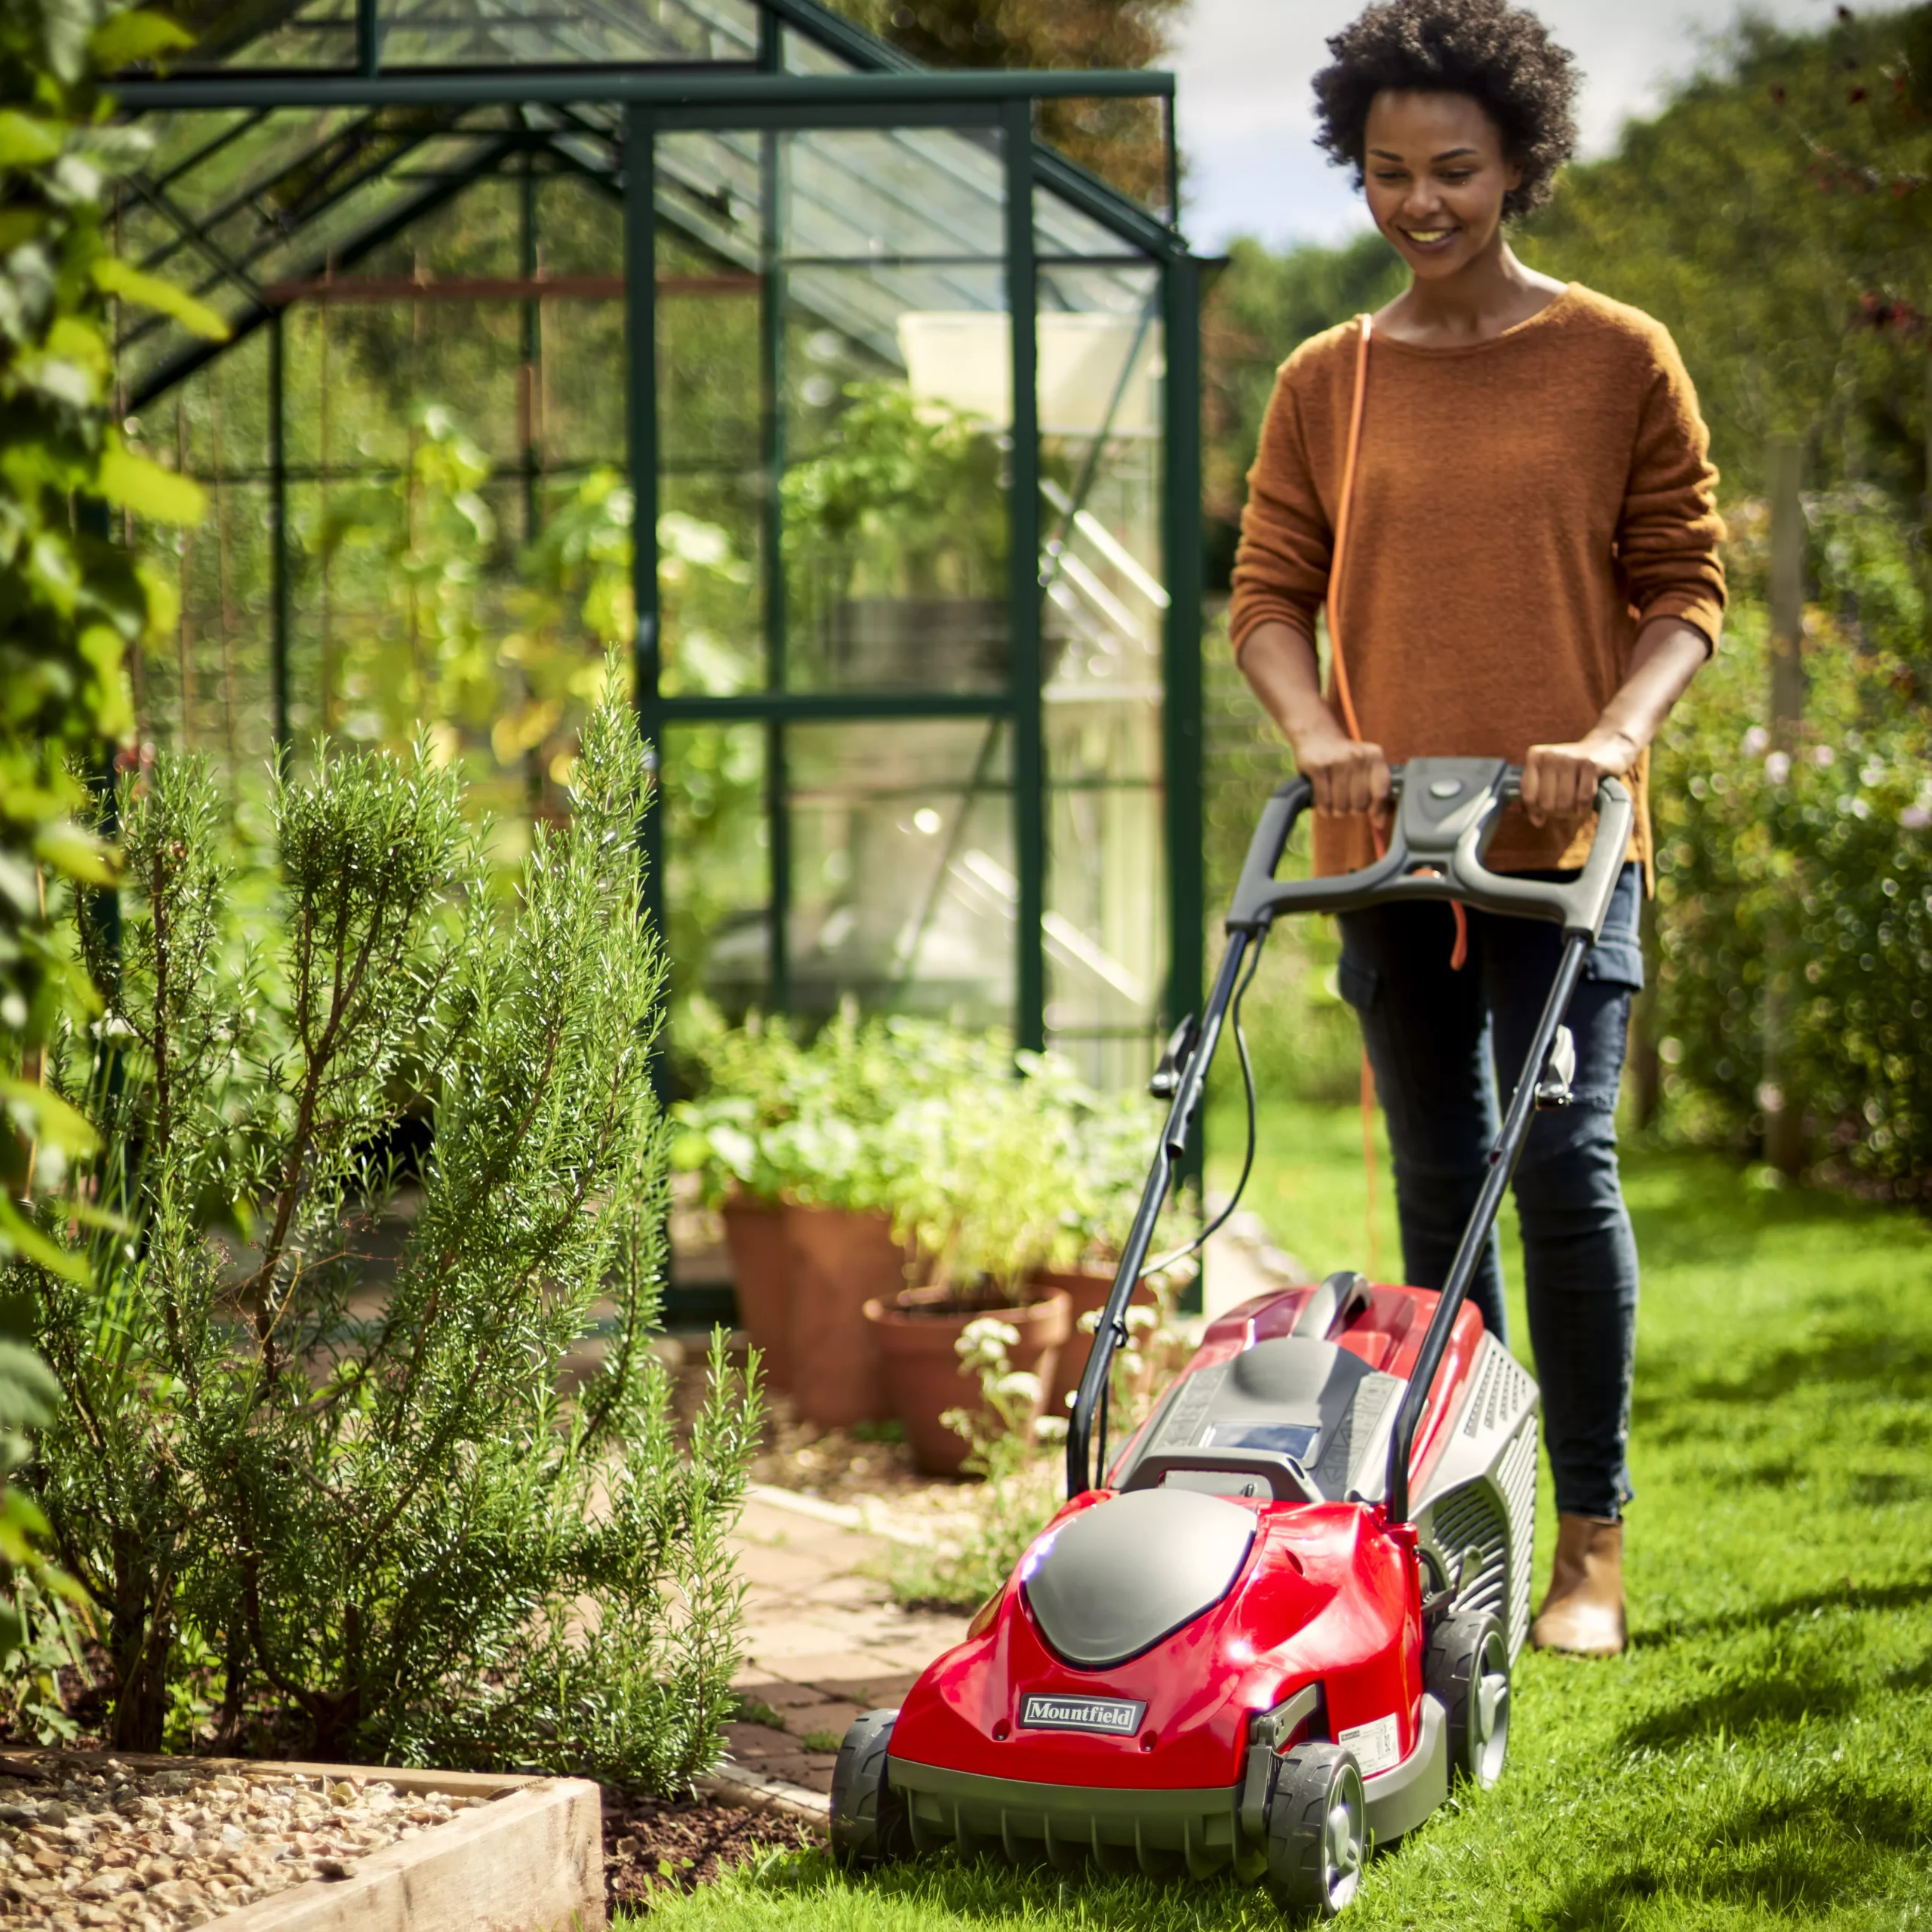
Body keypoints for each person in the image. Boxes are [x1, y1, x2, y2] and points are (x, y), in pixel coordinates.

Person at [1229, 0, 1724, 1657]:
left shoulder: (1613, 355)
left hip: (1559, 849)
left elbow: (1684, 585)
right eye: (1385, 173)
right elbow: (1267, 596)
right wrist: (1320, 742)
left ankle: (1589, 1537)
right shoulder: (1328, 377)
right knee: (1440, 1180)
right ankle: (1473, 1498)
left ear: (1518, 164)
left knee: (1560, 1166)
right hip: (1384, 849)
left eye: (1451, 170)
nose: (1418, 203)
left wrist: (1607, 734)